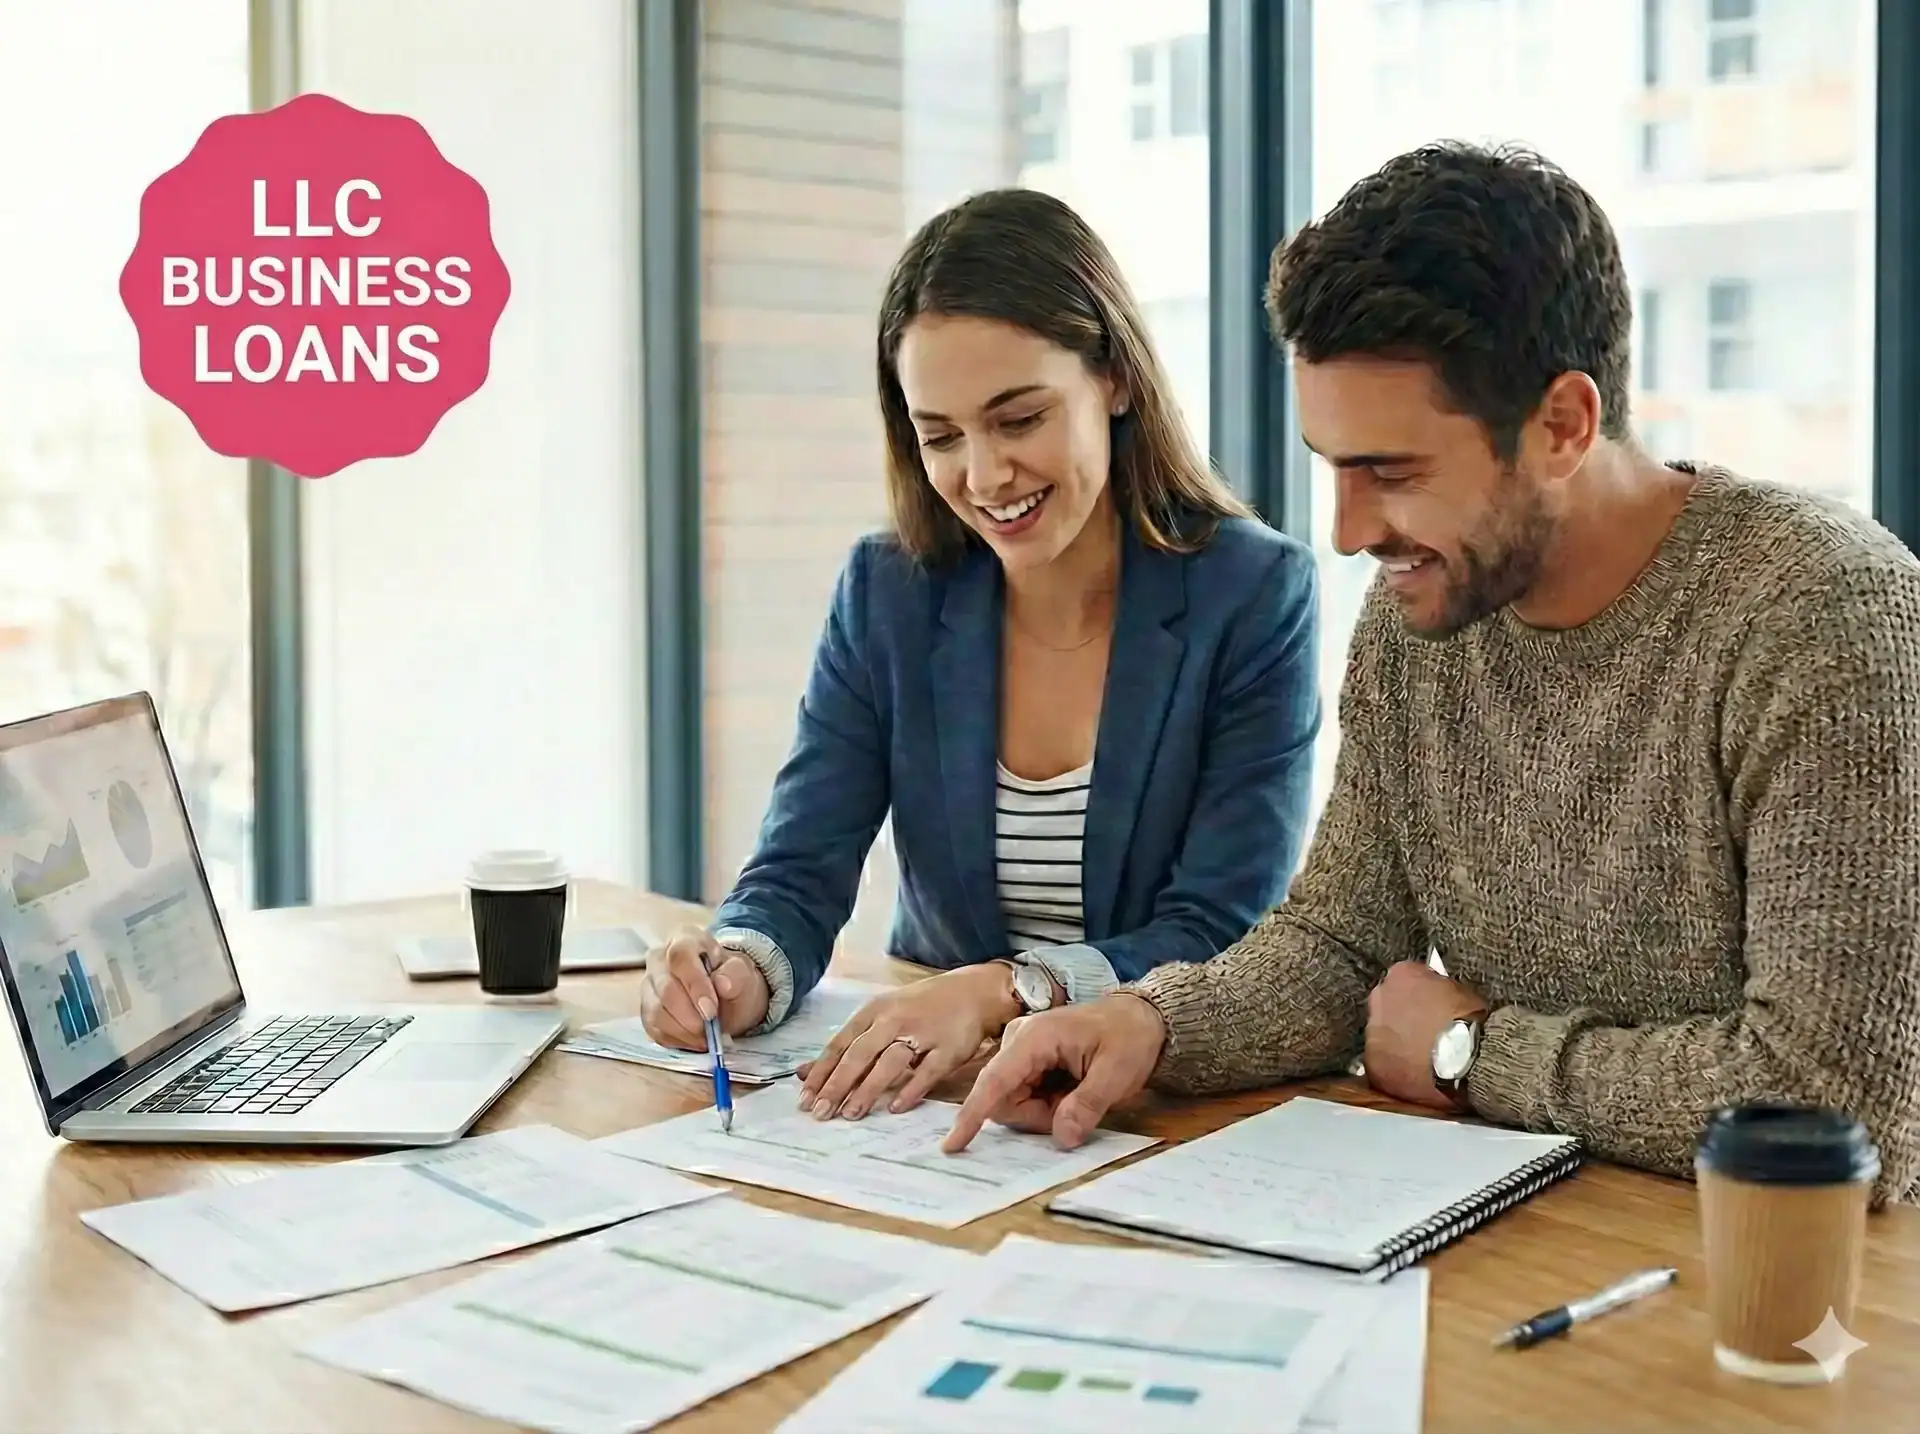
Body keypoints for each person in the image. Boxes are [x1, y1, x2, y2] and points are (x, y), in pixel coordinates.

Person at [943, 142, 1920, 1208]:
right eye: (1332, 466)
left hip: (1788, 1302)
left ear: (1562, 425)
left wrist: (1475, 1056)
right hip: (1526, 1233)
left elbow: (1840, 1101)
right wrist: (1152, 1021)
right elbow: (1341, 942)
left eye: (1391, 474)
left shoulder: (1827, 620)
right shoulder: (1423, 615)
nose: (1351, 531)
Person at [636, 187, 1323, 1121]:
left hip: (1157, 1106)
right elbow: (799, 870)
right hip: (942, 1110)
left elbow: (1219, 930)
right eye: (941, 437)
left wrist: (1005, 990)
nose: (985, 475)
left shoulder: (1253, 594)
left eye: (1019, 419)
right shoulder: (889, 593)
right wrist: (739, 967)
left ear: (1115, 379)